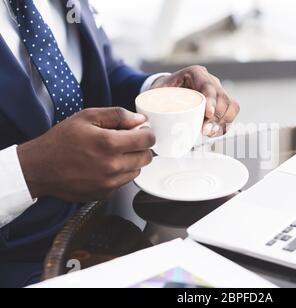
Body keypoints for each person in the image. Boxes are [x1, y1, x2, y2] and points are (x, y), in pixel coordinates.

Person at [0, 0, 240, 288]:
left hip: (114, 223)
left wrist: (157, 92)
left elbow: (98, 73)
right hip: (20, 261)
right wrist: (31, 170)